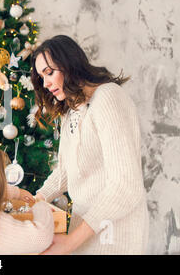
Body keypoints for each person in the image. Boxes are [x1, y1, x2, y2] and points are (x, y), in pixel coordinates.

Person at [31, 35, 149, 254]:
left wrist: (71, 241)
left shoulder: (108, 98)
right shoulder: (72, 109)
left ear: (69, 64)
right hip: (84, 233)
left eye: (49, 72)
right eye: (41, 76)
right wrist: (36, 198)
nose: (46, 83)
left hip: (114, 237)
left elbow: (126, 186)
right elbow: (66, 171)